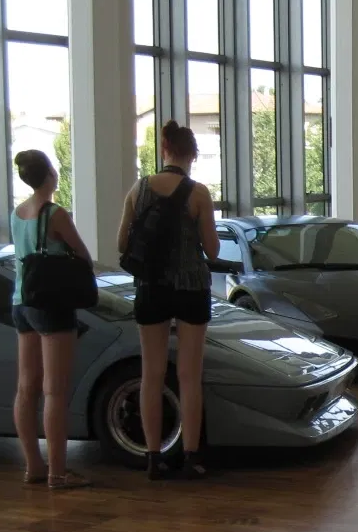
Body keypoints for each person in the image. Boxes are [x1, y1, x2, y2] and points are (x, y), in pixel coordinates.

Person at [116, 120, 219, 480]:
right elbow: (212, 247)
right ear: (192, 154)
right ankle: (190, 455)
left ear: (164, 150)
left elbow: (121, 245)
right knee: (189, 375)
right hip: (191, 288)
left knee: (152, 373)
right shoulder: (199, 193)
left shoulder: (139, 189)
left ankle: (153, 456)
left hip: (151, 288)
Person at [11, 150, 93, 490]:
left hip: (21, 301)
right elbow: (83, 255)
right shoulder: (56, 214)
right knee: (54, 392)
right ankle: (58, 472)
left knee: (26, 387)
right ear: (49, 176)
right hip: (53, 306)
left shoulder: (17, 213)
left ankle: (33, 466)